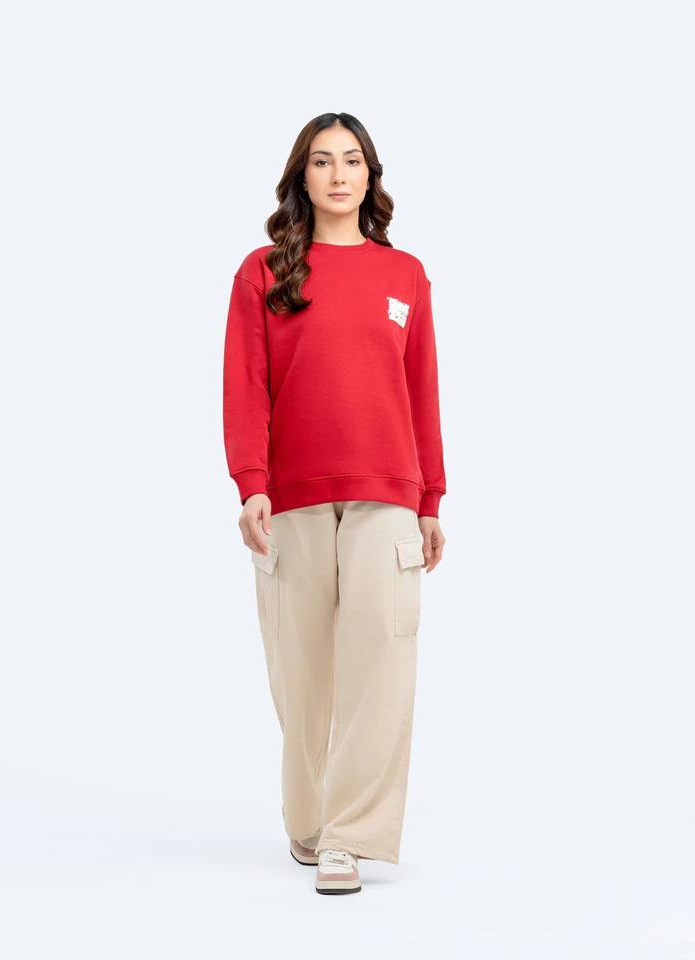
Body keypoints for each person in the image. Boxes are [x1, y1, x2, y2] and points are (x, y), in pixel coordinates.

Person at [222, 112, 447, 895]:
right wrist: (251, 482)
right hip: (292, 496)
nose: (339, 175)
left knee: (380, 658)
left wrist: (431, 499)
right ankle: (311, 820)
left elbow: (422, 392)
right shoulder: (262, 272)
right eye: (322, 161)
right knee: (303, 667)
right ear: (302, 176)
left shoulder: (405, 275)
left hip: (388, 493)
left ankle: (350, 836)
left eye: (353, 161)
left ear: (370, 176)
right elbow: (245, 385)